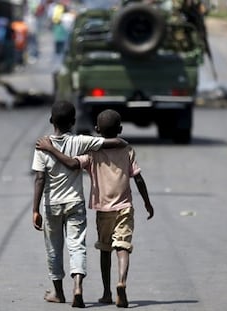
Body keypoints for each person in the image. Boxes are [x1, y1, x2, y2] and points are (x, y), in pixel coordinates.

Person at [37, 109, 154, 307]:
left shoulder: (92, 152)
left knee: (105, 249)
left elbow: (72, 164)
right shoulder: (127, 150)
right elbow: (139, 177)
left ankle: (107, 293)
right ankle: (121, 282)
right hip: (125, 207)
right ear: (121, 129)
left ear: (97, 129)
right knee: (123, 246)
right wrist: (147, 202)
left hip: (103, 210)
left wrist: (51, 149)